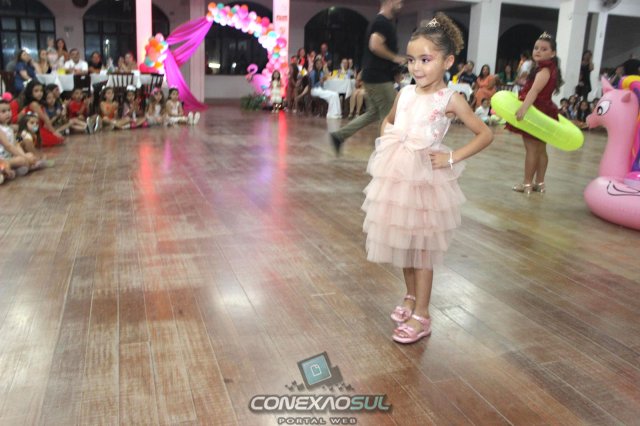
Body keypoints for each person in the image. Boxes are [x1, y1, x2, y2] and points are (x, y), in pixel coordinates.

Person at [363, 13, 493, 344]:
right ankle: (410, 296)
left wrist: (451, 157)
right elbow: (389, 121)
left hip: (426, 183)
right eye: (411, 60)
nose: (417, 68)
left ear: (447, 61)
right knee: (404, 243)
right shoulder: (405, 92)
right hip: (399, 179)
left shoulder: (450, 99)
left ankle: (423, 315)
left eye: (425, 60)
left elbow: (484, 134)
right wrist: (390, 139)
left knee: (422, 251)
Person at [330, 0, 405, 154]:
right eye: (398, 1)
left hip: (374, 76)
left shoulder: (381, 22)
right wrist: (395, 58)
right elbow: (375, 45)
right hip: (379, 78)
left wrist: (395, 71)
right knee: (389, 116)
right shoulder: (382, 22)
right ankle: (384, 155)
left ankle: (339, 136)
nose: (401, 4)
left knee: (373, 113)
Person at [506, 32, 563, 194]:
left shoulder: (544, 70)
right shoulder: (549, 69)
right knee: (541, 150)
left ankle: (527, 184)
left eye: (544, 49)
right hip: (546, 111)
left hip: (535, 111)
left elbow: (534, 91)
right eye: (536, 48)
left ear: (553, 53)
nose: (538, 51)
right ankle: (540, 183)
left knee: (532, 149)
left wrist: (523, 108)